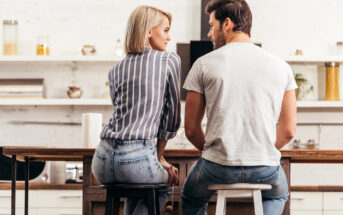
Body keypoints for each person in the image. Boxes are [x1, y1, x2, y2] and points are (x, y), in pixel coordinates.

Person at [181, 0, 297, 214]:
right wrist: (260, 150)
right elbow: (289, 130)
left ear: (226, 24)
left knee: (191, 196)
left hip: (217, 166)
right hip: (266, 167)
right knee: (278, 194)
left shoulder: (203, 64)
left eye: (211, 25)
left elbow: (190, 129)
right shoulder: (281, 66)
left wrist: (216, 153)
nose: (209, 33)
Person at [91, 5, 181, 215]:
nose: (169, 37)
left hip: (102, 161)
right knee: (167, 181)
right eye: (166, 30)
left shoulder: (115, 70)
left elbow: (122, 112)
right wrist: (158, 157)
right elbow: (172, 119)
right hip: (136, 160)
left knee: (140, 187)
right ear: (149, 31)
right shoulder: (169, 60)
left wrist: (155, 160)